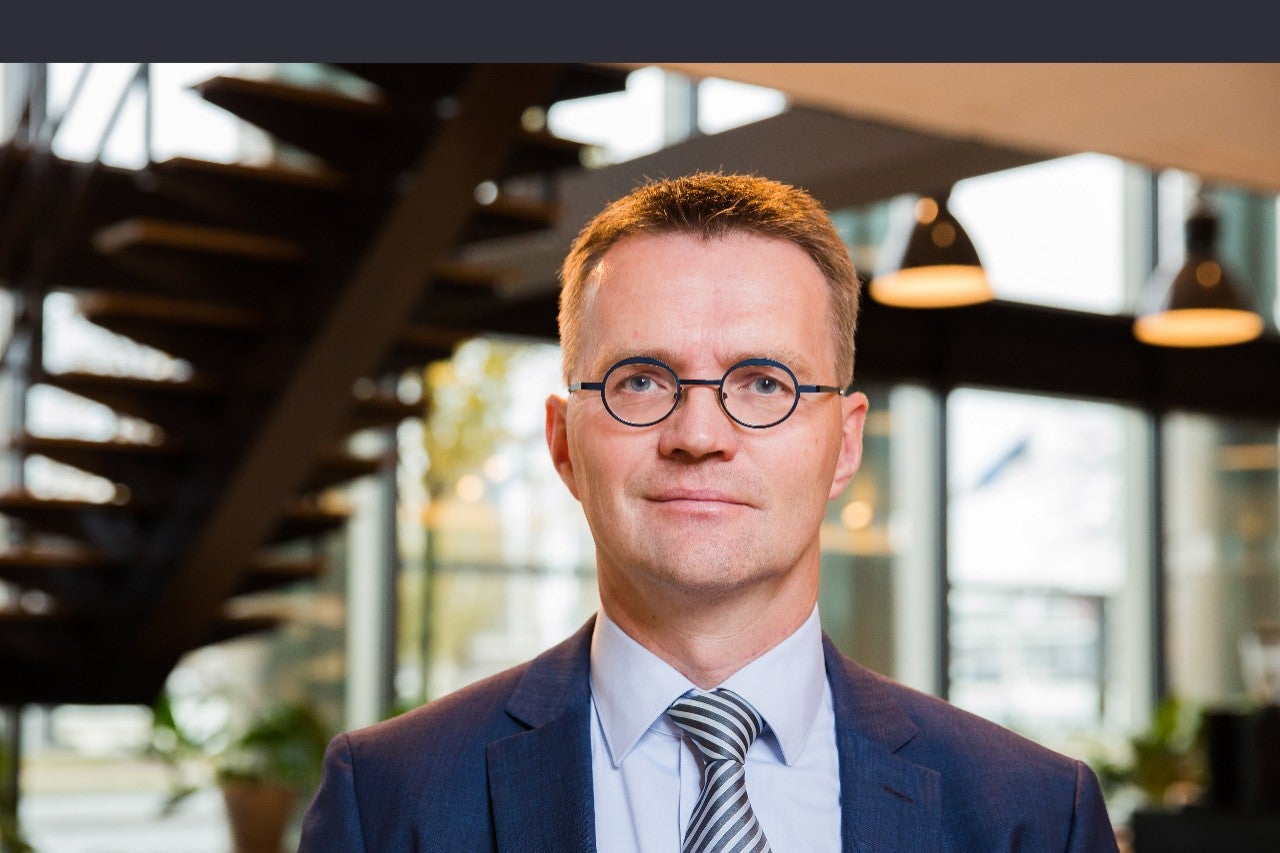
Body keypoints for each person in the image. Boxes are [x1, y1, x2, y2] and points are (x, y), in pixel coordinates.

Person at [298, 172, 1119, 852]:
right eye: (641, 380)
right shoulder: (389, 799)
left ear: (844, 443)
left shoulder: (1034, 816)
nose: (698, 435)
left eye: (763, 383)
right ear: (562, 442)